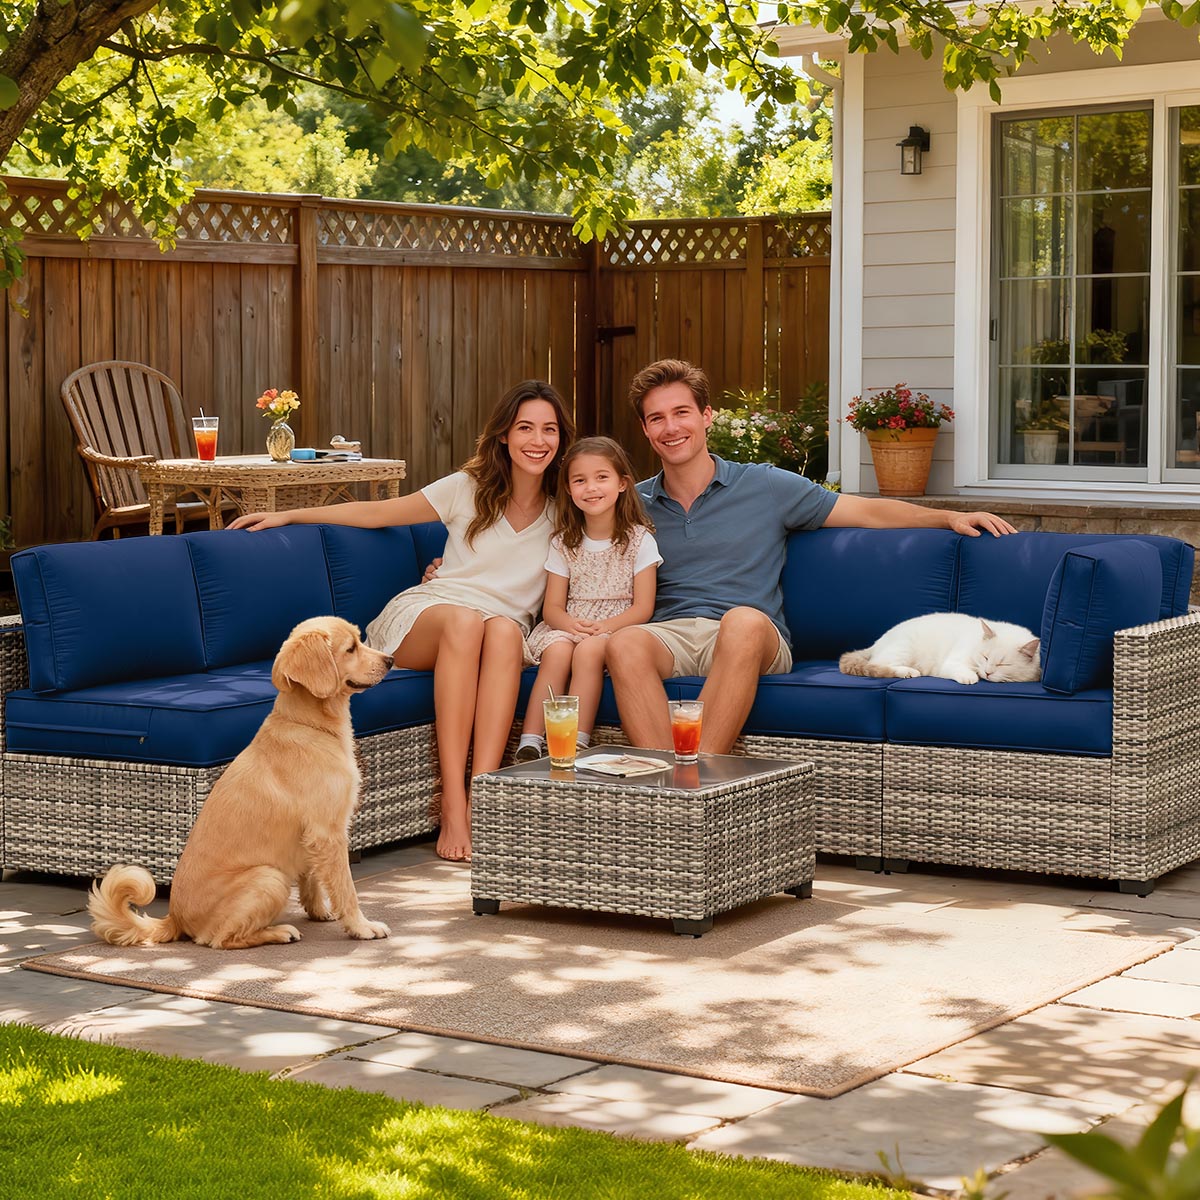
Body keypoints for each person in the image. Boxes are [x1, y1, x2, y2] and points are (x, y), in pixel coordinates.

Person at [227, 380, 575, 862]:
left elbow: (613, 537)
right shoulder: (466, 487)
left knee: (500, 631)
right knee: (468, 622)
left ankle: (484, 795)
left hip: (500, 627)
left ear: (562, 440)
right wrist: (289, 515)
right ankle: (454, 804)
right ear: (503, 436)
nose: (538, 440)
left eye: (549, 430)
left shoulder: (568, 507)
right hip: (429, 616)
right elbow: (378, 512)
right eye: (525, 428)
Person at [605, 359, 1018, 755]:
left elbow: (866, 510)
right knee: (624, 645)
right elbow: (570, 542)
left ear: (707, 415)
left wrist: (948, 516)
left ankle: (702, 776)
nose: (671, 427)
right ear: (644, 429)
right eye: (656, 418)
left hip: (750, 639)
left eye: (681, 412)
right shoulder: (632, 504)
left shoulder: (764, 486)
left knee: (743, 621)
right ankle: (661, 786)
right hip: (670, 635)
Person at [514, 436, 661, 763]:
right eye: (579, 480)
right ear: (568, 489)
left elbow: (643, 607)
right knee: (557, 653)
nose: (591, 488)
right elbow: (552, 607)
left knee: (591, 651)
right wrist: (570, 625)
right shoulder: (563, 542)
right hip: (568, 625)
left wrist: (602, 628)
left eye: (602, 477)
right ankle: (531, 739)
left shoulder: (639, 540)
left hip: (616, 628)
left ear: (622, 484)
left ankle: (575, 740)